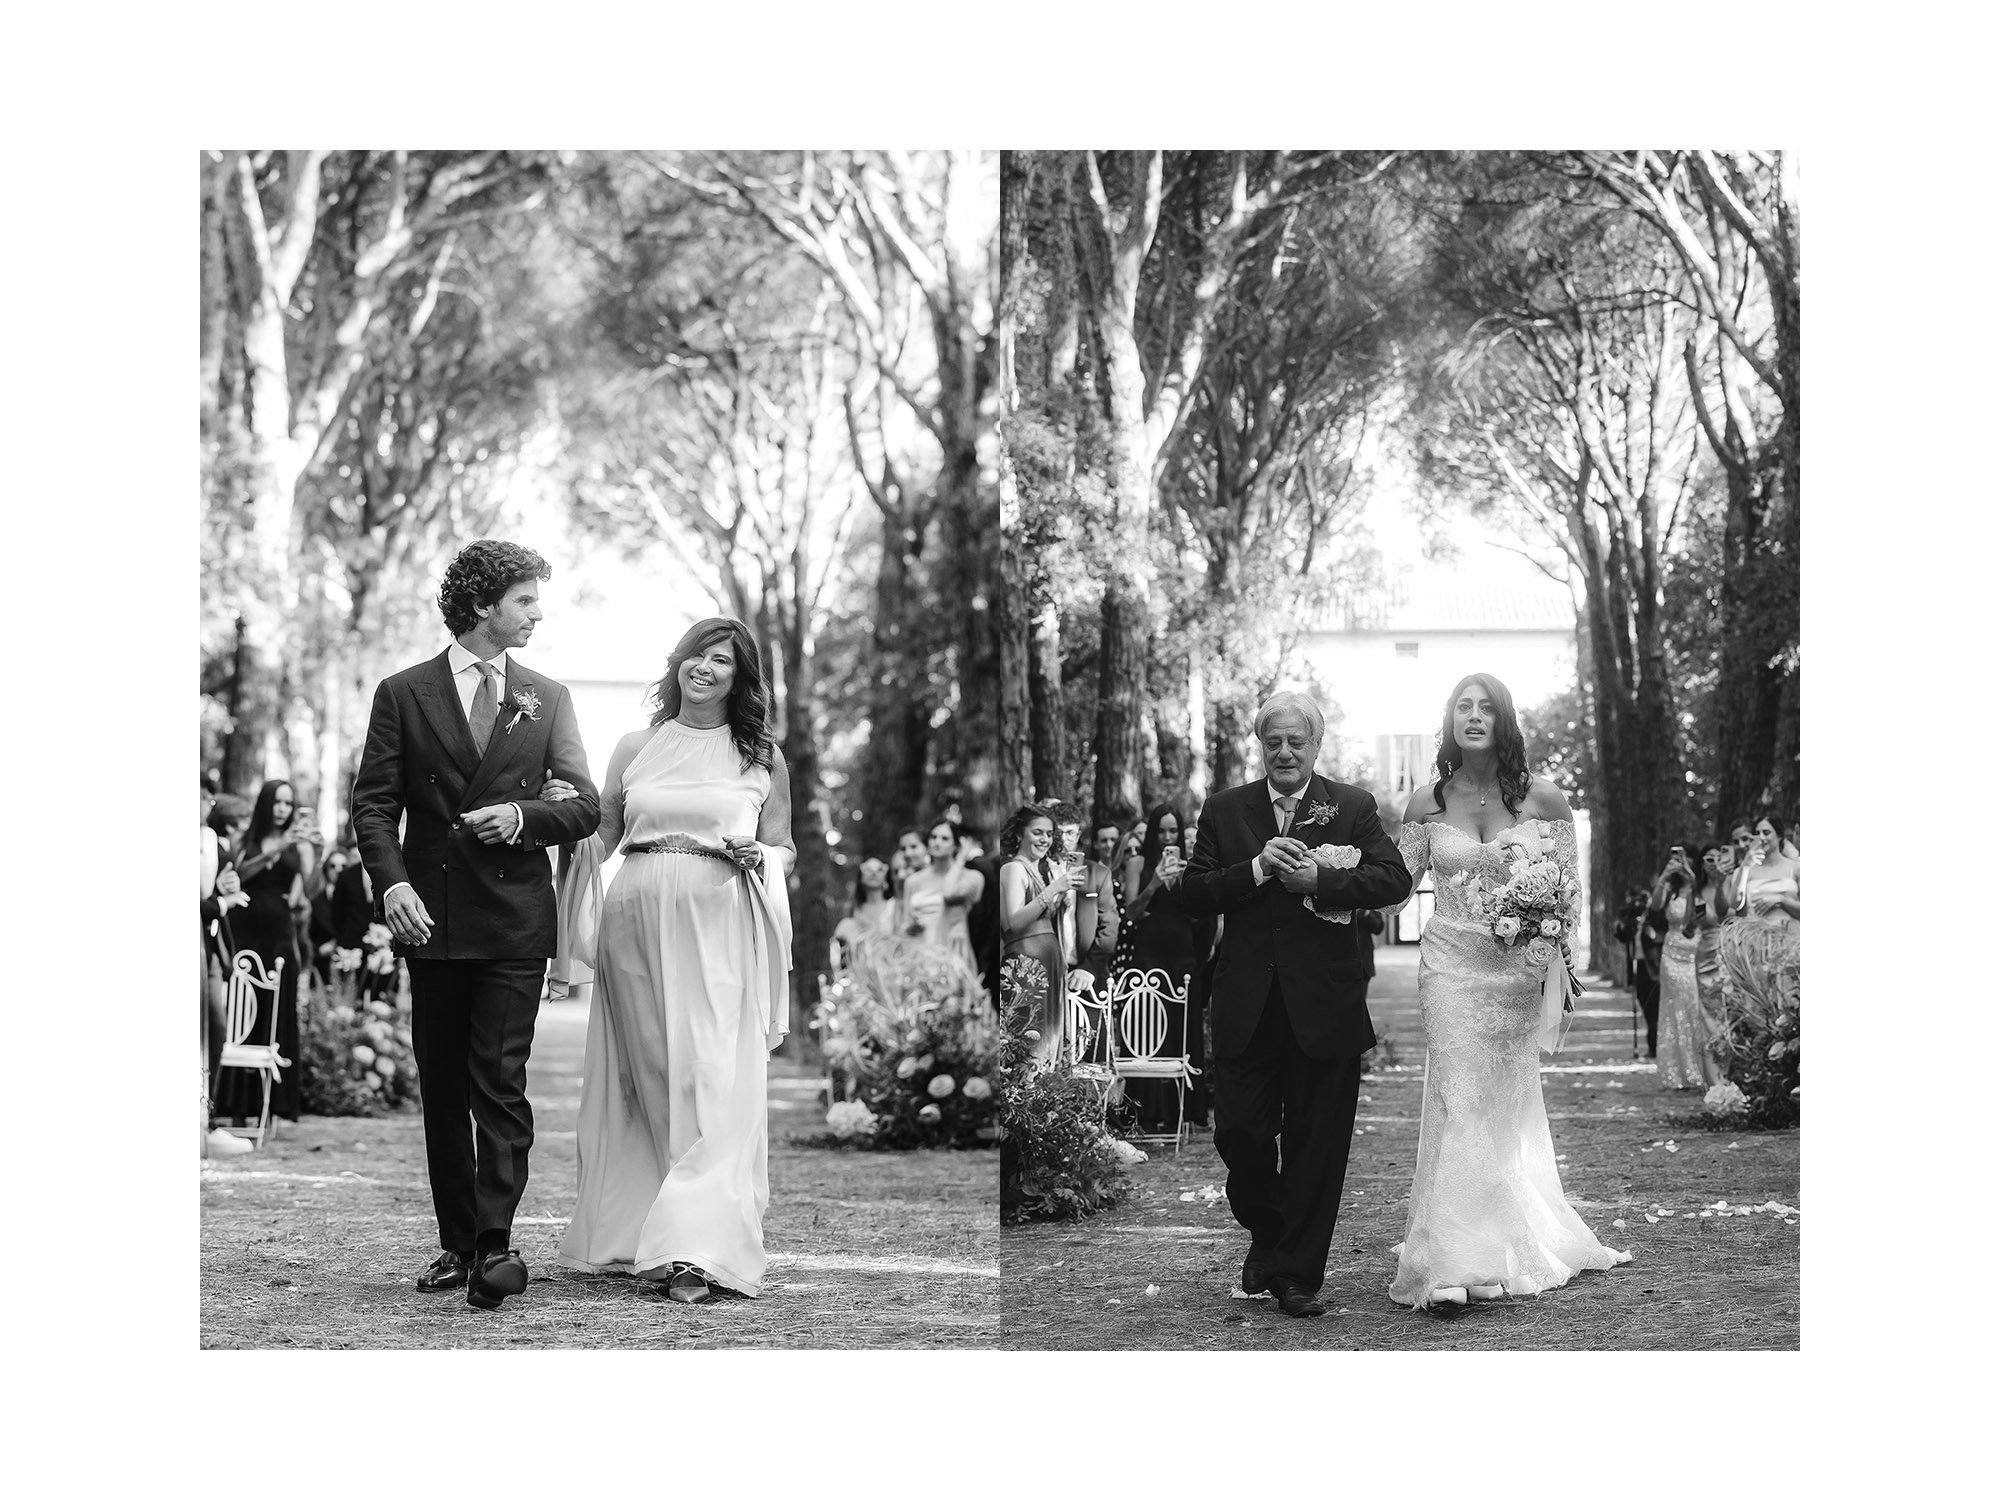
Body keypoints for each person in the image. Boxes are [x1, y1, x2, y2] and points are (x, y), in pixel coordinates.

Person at [351, 539, 602, 1311]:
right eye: (524, 600)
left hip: (514, 921)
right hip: (431, 919)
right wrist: (391, 886)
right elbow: (373, 806)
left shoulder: (548, 696)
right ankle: (455, 1243)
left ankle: (495, 1241)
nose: (536, 613)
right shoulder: (403, 692)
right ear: (482, 605)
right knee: (444, 1085)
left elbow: (586, 806)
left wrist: (523, 815)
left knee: (499, 1081)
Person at [550, 617, 796, 1305]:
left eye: (722, 661)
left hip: (721, 919)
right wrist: (547, 840)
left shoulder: (761, 756)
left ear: (740, 677)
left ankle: (700, 1249)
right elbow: (598, 836)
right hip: (634, 918)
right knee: (653, 1074)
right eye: (697, 655)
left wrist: (764, 858)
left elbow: (784, 845)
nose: (705, 668)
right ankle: (655, 1233)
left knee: (715, 1075)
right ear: (678, 663)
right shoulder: (635, 745)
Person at [1387, 673, 1630, 1310]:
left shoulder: (1544, 800)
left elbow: (1566, 896)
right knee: (1459, 1097)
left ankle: (1487, 1242)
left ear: (1503, 720)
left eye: (1485, 707)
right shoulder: (1426, 803)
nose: (1474, 716)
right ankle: (1458, 1262)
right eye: (1463, 706)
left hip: (1515, 974)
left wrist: (1553, 965)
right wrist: (1327, 875)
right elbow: (1392, 888)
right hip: (1450, 966)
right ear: (1449, 721)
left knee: (1495, 1109)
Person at [1180, 691, 1413, 1318]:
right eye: (1274, 741)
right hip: (1245, 1004)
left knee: (1318, 1144)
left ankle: (1297, 1273)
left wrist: (1324, 881)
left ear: (1316, 745)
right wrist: (1255, 870)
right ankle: (1269, 1231)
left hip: (1324, 1007)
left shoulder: (1352, 807)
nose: (1285, 751)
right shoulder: (1226, 810)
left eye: (1297, 741)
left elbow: (1396, 880)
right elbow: (1195, 894)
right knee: (1240, 1135)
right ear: (1262, 746)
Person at [212, 779, 316, 1126]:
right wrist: (275, 849)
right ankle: (234, 1103)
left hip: (279, 937)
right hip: (245, 932)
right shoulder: (248, 840)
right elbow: (237, 876)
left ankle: (273, 1105)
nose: (283, 809)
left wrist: (308, 851)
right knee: (244, 1013)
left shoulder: (297, 844)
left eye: (289, 803)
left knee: (275, 1011)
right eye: (278, 802)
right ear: (266, 804)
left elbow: (310, 889)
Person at [1117, 803, 1212, 1131]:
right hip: (1147, 956)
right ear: (1154, 832)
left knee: (1184, 1033)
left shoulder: (1193, 866)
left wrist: (1191, 883)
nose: (1168, 837)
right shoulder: (1138, 863)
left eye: (1174, 831)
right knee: (1147, 1034)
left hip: (1184, 957)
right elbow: (1130, 913)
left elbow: (1202, 916)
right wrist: (1155, 881)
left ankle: (1186, 1112)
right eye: (1162, 831)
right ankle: (1145, 1111)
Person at [997, 805, 1072, 1069]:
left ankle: (1045, 1099)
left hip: (1048, 962)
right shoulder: (1014, 869)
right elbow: (1015, 921)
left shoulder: (1040, 870)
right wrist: (1054, 890)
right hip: (1026, 966)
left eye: (1049, 834)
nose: (1045, 839)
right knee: (1027, 1038)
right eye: (1037, 832)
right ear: (1020, 834)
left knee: (1048, 1039)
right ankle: (1025, 1099)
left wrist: (1062, 896)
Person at [201, 792, 253, 1158]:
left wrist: (224, 887)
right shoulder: (206, 844)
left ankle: (208, 1118)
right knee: (210, 1033)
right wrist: (224, 902)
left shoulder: (213, 848)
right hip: (201, 951)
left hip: (212, 953)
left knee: (214, 1034)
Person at [1651, 842, 1726, 1089]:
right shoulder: (1671, 888)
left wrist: (1691, 877)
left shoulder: (1698, 887)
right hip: (1672, 952)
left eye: (1687, 858)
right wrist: (1665, 875)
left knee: (1696, 1006)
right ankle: (1676, 1071)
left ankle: (1700, 1069)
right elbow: (1655, 907)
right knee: (1674, 1009)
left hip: (1697, 950)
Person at [1718, 812, 1800, 1021]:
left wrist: (1781, 900)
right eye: (1757, 833)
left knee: (1790, 1000)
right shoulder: (1747, 870)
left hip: (1789, 942)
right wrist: (1745, 865)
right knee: (1761, 1005)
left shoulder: (1796, 867)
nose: (1761, 837)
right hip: (1758, 945)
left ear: (1780, 836)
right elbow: (1735, 903)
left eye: (1767, 832)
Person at [902, 817, 985, 974]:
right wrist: (911, 927)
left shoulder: (972, 877)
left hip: (953, 952)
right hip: (921, 954)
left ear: (956, 845)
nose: (937, 842)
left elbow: (948, 892)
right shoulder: (913, 881)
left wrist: (960, 860)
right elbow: (906, 923)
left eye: (944, 838)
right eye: (933, 837)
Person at [833, 857, 899, 967]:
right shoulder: (851, 910)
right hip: (859, 972)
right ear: (861, 876)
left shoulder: (894, 906)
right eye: (868, 869)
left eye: (879, 869)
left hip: (891, 969)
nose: (873, 873)